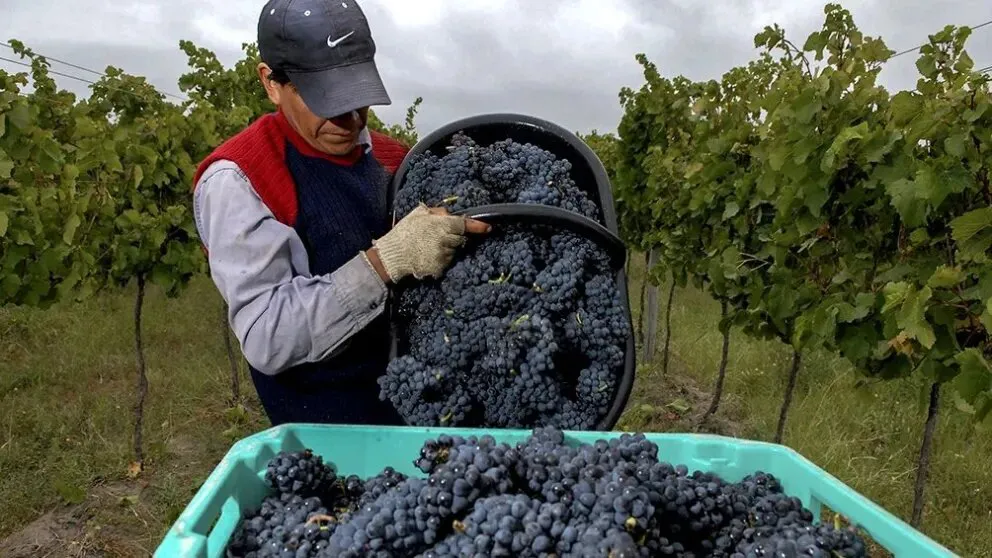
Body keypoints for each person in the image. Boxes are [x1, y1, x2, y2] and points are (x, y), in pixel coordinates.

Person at [192, 0, 489, 426]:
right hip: (329, 435)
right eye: (325, 100)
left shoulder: (393, 161)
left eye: (357, 97)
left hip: (419, 414)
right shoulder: (240, 180)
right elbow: (267, 335)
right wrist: (387, 260)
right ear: (271, 83)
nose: (349, 119)